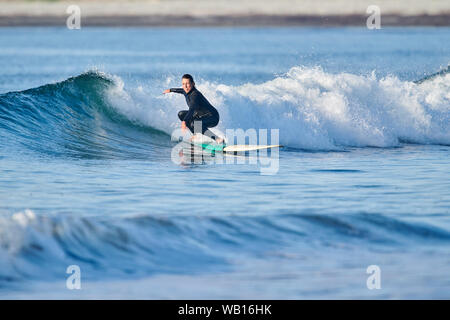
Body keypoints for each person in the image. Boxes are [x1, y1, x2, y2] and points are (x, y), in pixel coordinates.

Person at [163, 74, 223, 143]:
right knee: (181, 114)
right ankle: (195, 135)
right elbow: (180, 90)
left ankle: (217, 139)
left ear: (193, 84)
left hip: (213, 117)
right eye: (183, 84)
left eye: (187, 84)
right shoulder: (185, 91)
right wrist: (170, 90)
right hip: (200, 115)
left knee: (196, 124)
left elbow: (192, 109)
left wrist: (184, 121)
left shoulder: (195, 95)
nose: (185, 86)